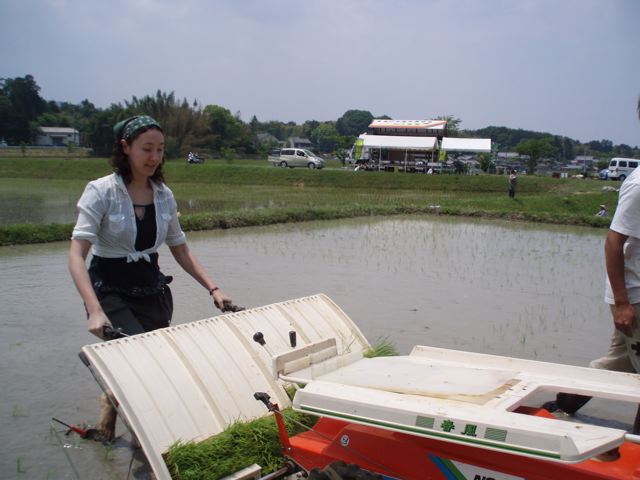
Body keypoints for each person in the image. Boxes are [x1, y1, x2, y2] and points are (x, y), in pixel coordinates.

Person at [69, 115, 232, 440]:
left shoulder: (163, 195)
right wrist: (95, 309)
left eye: (160, 150)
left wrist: (214, 289)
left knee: (150, 363)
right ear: (126, 148)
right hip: (110, 291)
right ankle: (157, 443)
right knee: (143, 365)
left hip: (151, 288)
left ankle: (108, 416)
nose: (154, 157)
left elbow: (181, 250)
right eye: (146, 149)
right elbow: (76, 256)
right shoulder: (101, 191)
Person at [545, 98, 640, 432]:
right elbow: (614, 242)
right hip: (636, 298)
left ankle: (560, 406)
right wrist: (624, 304)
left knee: (618, 365)